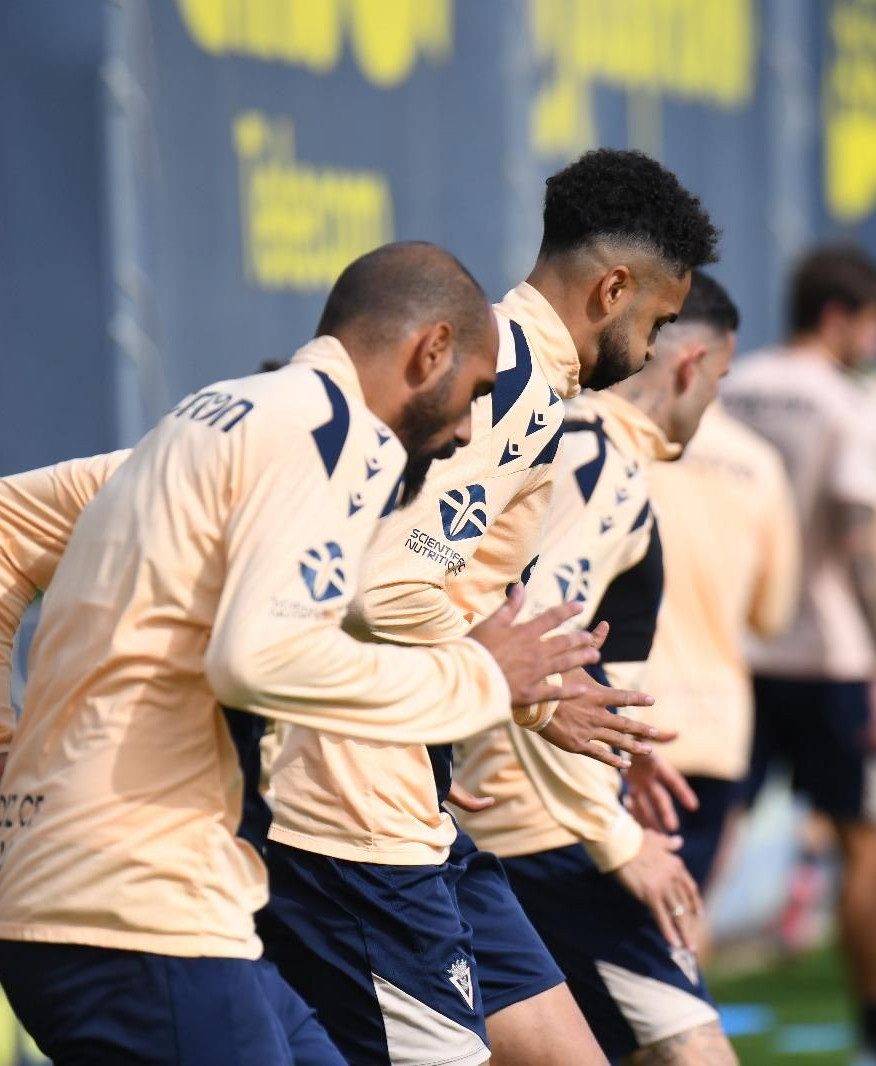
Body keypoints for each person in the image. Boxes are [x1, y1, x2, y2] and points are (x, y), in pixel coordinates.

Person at [0, 243, 626, 1063]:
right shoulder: (335, 438)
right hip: (135, 910)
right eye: (474, 396)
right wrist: (478, 681)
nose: (465, 431)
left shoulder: (220, 415)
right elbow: (261, 658)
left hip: (142, 902)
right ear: (429, 353)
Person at [259, 148, 722, 1066]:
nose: (651, 351)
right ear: (614, 289)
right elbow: (381, 586)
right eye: (658, 321)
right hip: (349, 812)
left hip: (419, 799)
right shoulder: (504, 389)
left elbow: (438, 594)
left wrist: (494, 703)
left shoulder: (519, 385)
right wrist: (529, 693)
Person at [450, 271, 742, 1065]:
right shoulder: (602, 465)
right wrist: (614, 837)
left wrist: (616, 740)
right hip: (548, 836)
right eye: (720, 379)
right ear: (690, 366)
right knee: (695, 1053)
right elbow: (532, 640)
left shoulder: (572, 442)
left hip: (525, 820)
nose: (712, 403)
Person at [722, 244, 876, 1065]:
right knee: (862, 844)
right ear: (837, 317)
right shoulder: (850, 404)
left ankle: (659, 1018)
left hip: (739, 650)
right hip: (831, 656)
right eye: (873, 326)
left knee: (709, 840)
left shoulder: (733, 384)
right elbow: (858, 539)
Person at [645, 344, 800, 894]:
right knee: (682, 913)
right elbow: (772, 616)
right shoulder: (758, 463)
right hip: (715, 724)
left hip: (623, 720)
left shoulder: (609, 441)